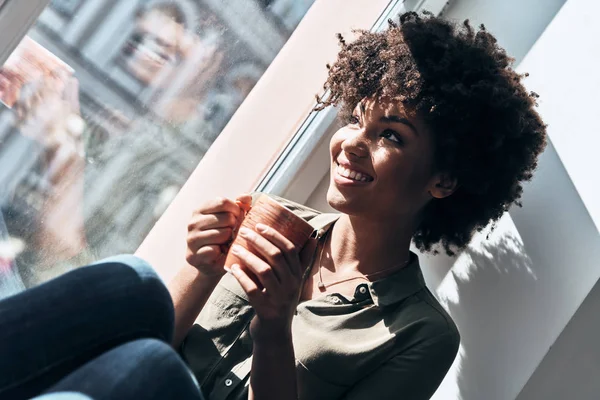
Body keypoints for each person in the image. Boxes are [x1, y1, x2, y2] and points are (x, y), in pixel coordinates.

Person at [0, 12, 546, 400]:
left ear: (444, 180)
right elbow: (142, 347)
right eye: (356, 116)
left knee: (152, 367)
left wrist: (273, 325)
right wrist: (201, 268)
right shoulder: (267, 219)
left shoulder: (419, 335)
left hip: (149, 380)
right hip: (130, 382)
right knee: (135, 287)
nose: (352, 141)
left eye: (392, 136)